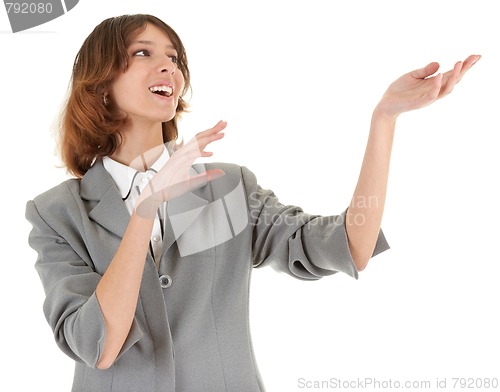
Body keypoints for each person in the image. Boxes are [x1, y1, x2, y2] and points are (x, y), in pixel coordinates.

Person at [25, 13, 480, 392]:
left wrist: (385, 119)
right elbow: (97, 345)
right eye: (143, 53)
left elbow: (348, 244)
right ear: (100, 83)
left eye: (174, 57)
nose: (169, 67)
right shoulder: (58, 212)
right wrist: (146, 209)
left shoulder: (224, 188)